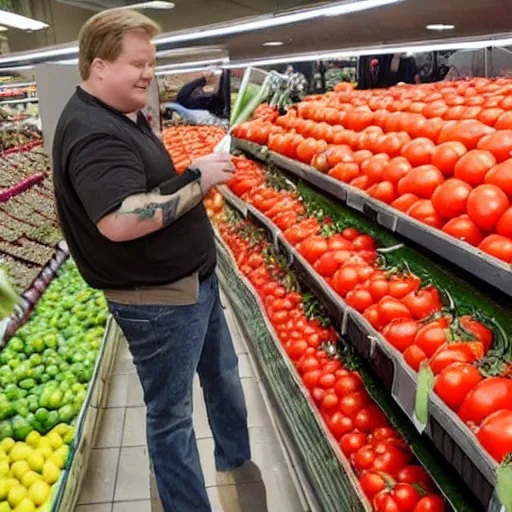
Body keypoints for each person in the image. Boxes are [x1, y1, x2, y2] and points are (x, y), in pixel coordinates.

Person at [51, 9, 250, 512]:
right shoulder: (93, 132)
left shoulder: (118, 116)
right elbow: (119, 219)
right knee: (171, 416)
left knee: (222, 376)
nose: (149, 74)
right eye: (137, 64)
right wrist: (197, 178)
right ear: (99, 67)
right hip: (160, 303)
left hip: (190, 286)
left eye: (151, 62)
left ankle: (235, 462)